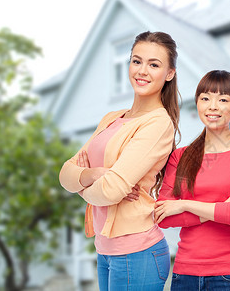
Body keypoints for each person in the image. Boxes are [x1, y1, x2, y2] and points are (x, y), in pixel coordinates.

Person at [59, 31, 180, 291]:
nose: (142, 71)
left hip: (137, 253)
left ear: (169, 73)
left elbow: (112, 189)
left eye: (154, 64)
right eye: (136, 61)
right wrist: (95, 175)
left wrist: (83, 184)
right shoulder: (111, 118)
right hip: (104, 251)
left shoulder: (158, 123)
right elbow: (65, 172)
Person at [154, 70, 230, 291]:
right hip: (184, 274)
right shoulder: (180, 156)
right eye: (205, 98)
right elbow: (163, 217)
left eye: (223, 99)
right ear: (197, 104)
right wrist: (224, 206)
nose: (212, 106)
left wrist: (183, 204)